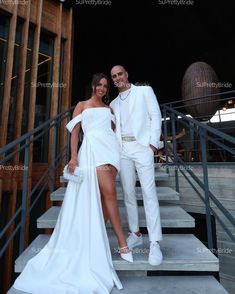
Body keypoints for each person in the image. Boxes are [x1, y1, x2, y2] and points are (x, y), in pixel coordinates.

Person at [12, 73, 133, 294]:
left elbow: (113, 133)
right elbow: (75, 134)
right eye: (100, 85)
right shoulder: (82, 105)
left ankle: (97, 235)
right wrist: (74, 157)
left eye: (106, 86)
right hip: (92, 152)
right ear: (93, 85)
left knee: (106, 196)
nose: (103, 89)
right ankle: (122, 243)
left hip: (111, 153)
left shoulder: (109, 110)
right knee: (109, 195)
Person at [110, 65, 163, 266]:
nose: (117, 78)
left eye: (120, 74)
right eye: (113, 76)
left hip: (142, 148)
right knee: (128, 194)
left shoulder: (144, 91)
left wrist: (152, 144)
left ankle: (155, 242)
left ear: (127, 74)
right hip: (123, 149)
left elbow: (155, 116)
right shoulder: (113, 103)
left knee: (149, 194)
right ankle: (136, 233)